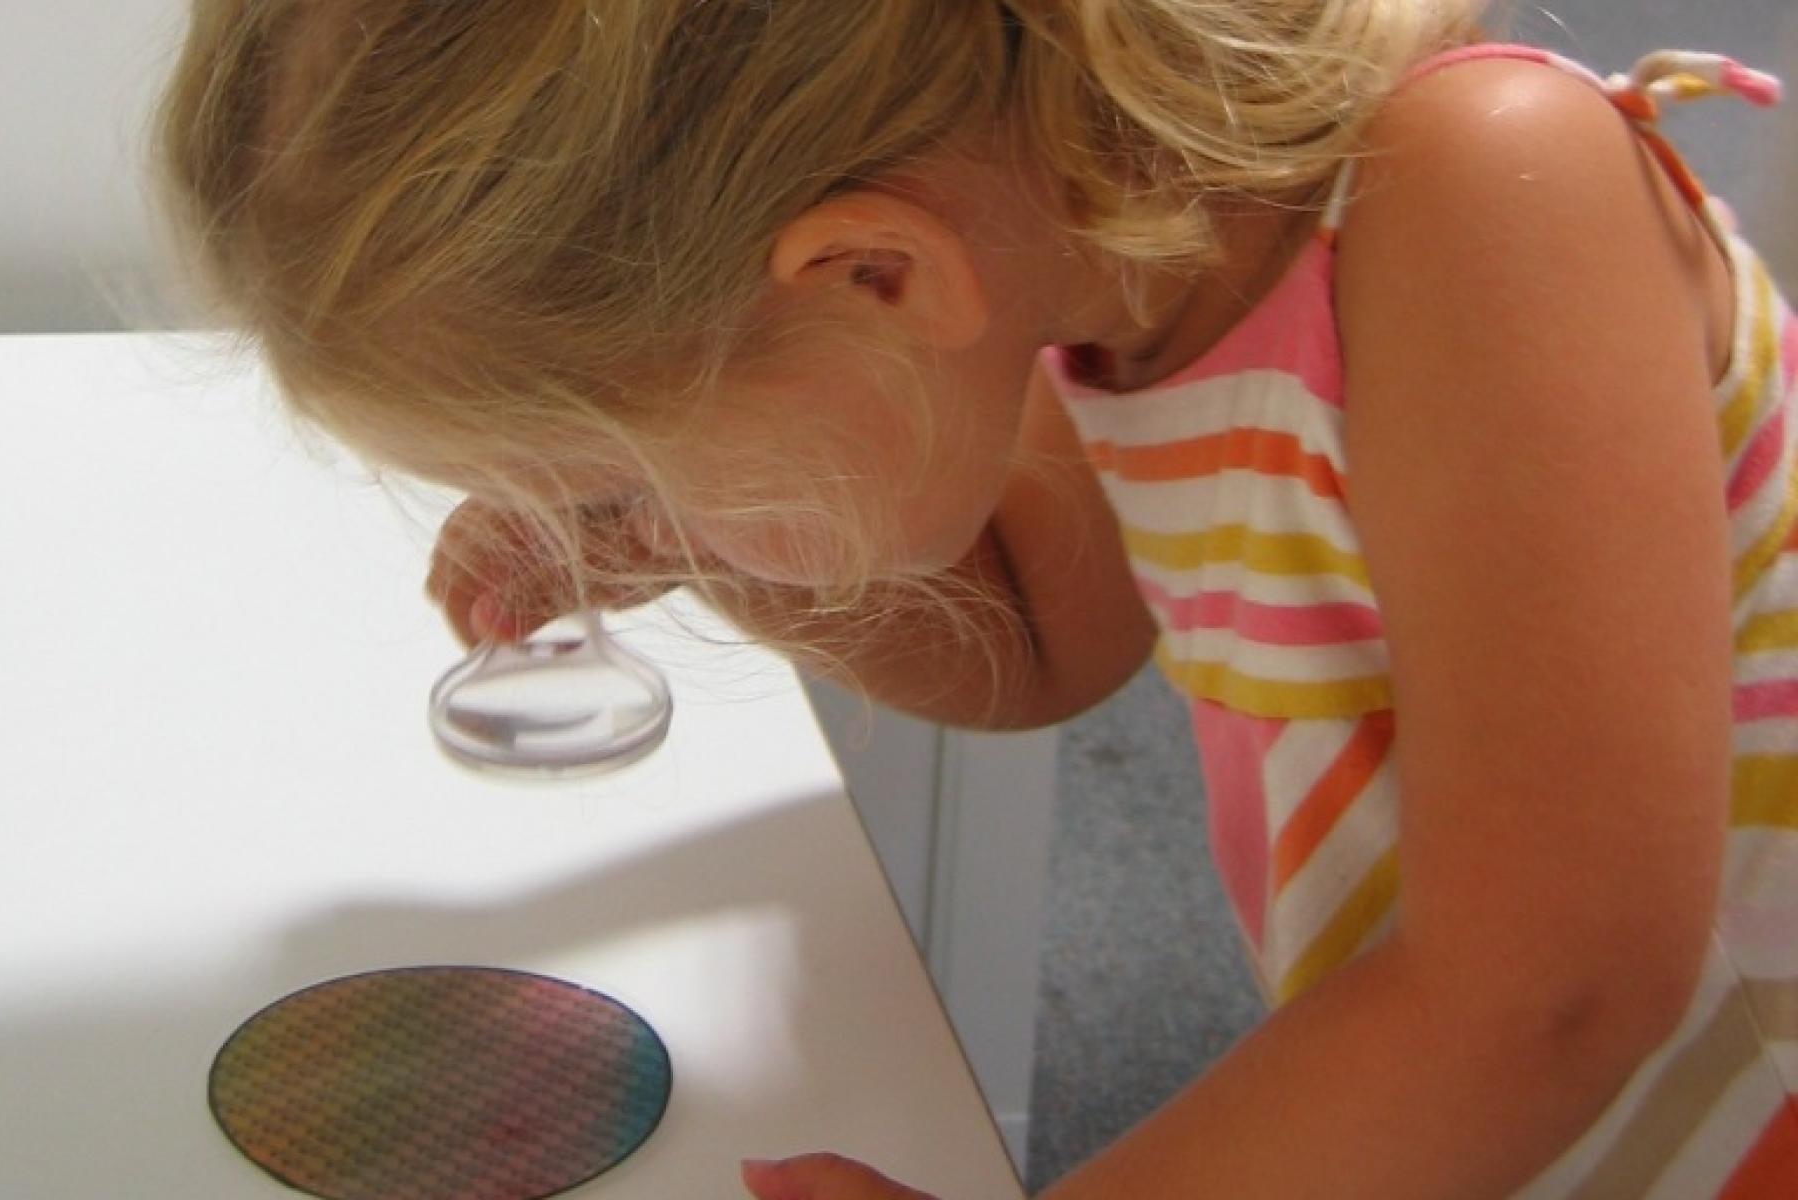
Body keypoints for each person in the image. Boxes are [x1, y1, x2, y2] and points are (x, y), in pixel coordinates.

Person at [153, 2, 1798, 1195]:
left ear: (875, 277)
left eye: (631, 482)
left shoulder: (1480, 191)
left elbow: (1555, 987)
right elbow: (1032, 634)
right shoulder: (1094, 252)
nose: (617, 534)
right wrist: (717, 545)